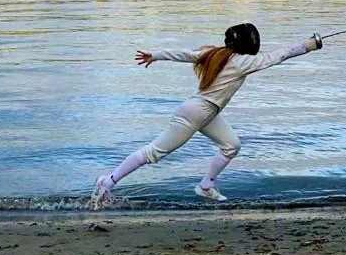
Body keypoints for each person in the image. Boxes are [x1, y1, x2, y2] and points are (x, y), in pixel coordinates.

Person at [90, 23, 322, 208]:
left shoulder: (216, 54)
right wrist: (309, 45)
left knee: (231, 146)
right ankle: (108, 181)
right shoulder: (239, 62)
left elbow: (184, 54)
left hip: (206, 112)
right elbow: (278, 56)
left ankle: (206, 185)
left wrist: (156, 55)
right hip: (198, 112)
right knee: (154, 153)